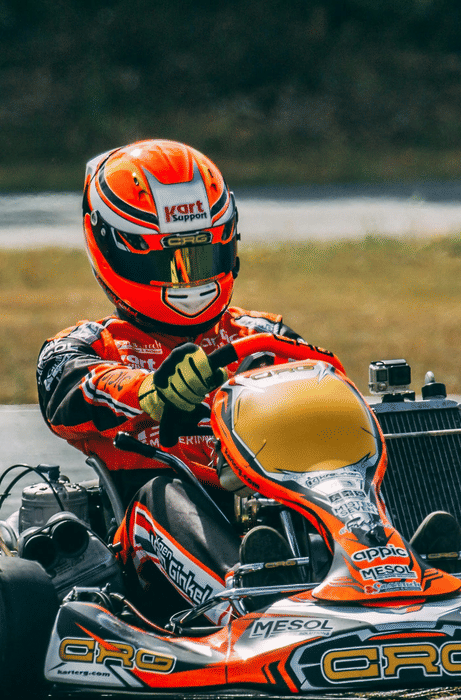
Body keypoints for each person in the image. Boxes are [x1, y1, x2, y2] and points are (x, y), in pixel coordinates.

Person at [36, 139, 329, 623]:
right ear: (119, 252)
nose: (189, 277)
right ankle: (251, 599)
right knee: (163, 496)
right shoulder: (90, 344)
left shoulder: (263, 335)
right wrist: (149, 391)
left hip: (275, 503)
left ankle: (415, 566)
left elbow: (328, 384)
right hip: (149, 547)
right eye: (169, 262)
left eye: (203, 256)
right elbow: (69, 390)